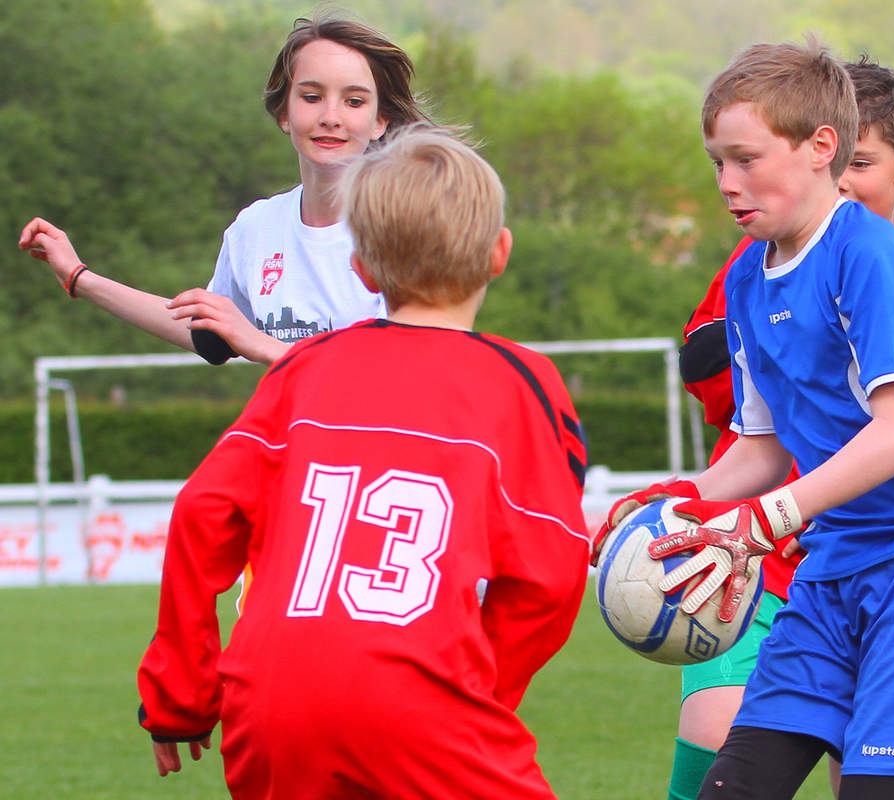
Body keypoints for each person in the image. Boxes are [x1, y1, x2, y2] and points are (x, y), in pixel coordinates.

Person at [598, 38, 894, 800]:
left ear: (821, 146)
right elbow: (761, 448)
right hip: (833, 569)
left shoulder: (871, 255)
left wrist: (758, 524)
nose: (727, 184)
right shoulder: (744, 276)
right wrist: (684, 500)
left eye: (746, 159)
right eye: (716, 163)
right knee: (735, 786)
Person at [136, 126, 591, 798]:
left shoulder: (302, 370)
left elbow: (204, 511)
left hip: (268, 705)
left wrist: (179, 693)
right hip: (422, 700)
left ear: (362, 269)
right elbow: (551, 571)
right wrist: (485, 688)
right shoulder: (523, 384)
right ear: (500, 253)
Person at [18, 13, 427, 365]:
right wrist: (79, 277)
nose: (331, 116)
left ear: (380, 120)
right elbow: (210, 334)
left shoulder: (405, 231)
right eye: (312, 96)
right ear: (284, 112)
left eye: (354, 101)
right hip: (292, 456)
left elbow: (401, 376)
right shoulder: (256, 227)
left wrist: (267, 347)